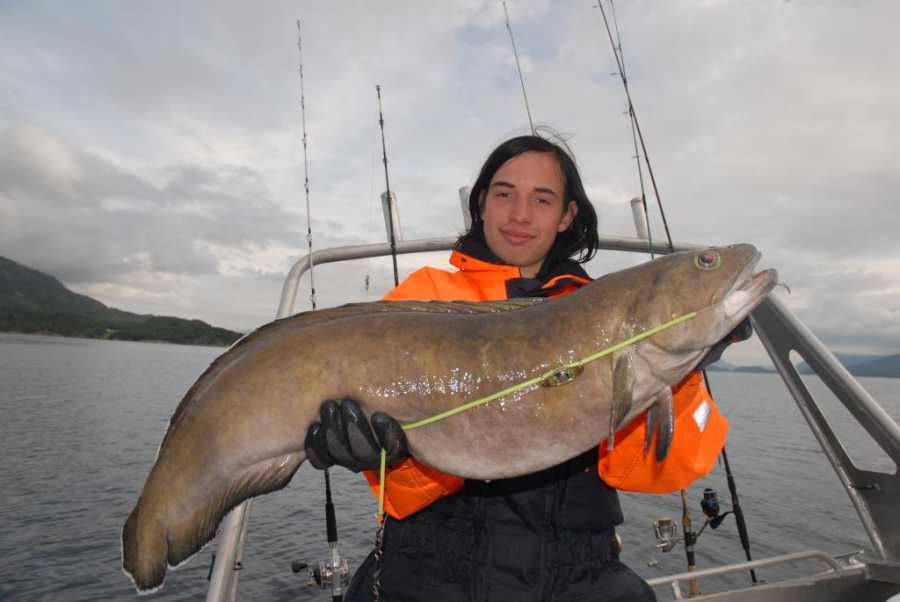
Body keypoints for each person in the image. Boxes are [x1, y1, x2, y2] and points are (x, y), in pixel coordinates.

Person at [304, 134, 748, 602]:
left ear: (567, 215)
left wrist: (682, 373)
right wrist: (380, 456)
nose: (519, 214)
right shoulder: (418, 301)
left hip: (579, 571)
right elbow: (403, 492)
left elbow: (655, 471)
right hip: (430, 566)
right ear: (481, 203)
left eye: (542, 199)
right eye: (504, 194)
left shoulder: (609, 310)